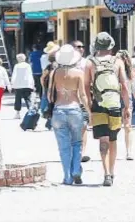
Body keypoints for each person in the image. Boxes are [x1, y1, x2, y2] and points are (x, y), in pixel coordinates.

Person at [84, 32, 131, 186]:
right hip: (115, 104)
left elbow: (86, 86)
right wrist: (127, 107)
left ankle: (106, 173)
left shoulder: (90, 63)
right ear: (111, 46)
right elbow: (124, 85)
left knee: (103, 140)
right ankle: (112, 171)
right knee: (113, 139)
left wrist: (89, 105)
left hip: (98, 104)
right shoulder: (117, 62)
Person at [48, 45, 90, 185]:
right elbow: (83, 95)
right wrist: (89, 112)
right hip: (75, 109)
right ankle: (76, 170)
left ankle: (67, 177)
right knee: (77, 142)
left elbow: (49, 96)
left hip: (59, 110)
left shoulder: (54, 72)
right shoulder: (79, 73)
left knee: (63, 146)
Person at [116, 50, 135, 160]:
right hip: (115, 100)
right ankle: (114, 150)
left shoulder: (129, 72)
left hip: (126, 101)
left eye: (118, 58)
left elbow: (133, 88)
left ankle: (129, 152)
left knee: (128, 126)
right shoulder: (114, 70)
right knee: (115, 127)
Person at [11, 53, 35, 119]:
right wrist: (32, 84)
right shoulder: (28, 65)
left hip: (18, 85)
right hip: (27, 84)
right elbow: (30, 75)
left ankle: (17, 113)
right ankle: (30, 112)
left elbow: (14, 75)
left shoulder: (16, 66)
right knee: (28, 99)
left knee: (18, 99)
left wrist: (12, 83)